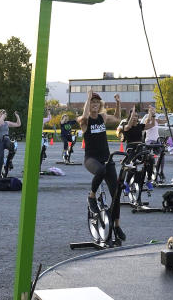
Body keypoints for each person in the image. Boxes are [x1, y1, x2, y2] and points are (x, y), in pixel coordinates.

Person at [78, 91, 125, 243]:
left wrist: (118, 103)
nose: (95, 105)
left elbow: (117, 118)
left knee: (116, 192)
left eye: (97, 102)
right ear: (88, 104)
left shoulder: (102, 117)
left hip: (106, 158)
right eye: (92, 102)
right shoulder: (83, 120)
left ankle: (117, 226)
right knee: (100, 170)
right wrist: (87, 98)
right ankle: (91, 196)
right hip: (91, 159)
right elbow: (84, 117)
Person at [0, 109, 20, 178]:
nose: (4, 115)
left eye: (4, 113)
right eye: (1, 113)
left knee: (13, 147)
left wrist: (17, 116)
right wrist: (2, 116)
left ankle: (9, 160)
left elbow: (18, 124)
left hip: (6, 140)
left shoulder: (7, 123)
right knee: (1, 156)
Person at [142, 105, 165, 183]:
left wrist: (165, 111)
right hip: (149, 141)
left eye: (154, 111)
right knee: (148, 158)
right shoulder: (147, 120)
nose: (153, 113)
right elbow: (149, 120)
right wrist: (151, 112)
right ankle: (147, 173)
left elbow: (166, 121)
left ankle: (161, 171)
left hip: (156, 140)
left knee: (162, 154)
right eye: (152, 112)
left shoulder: (157, 120)